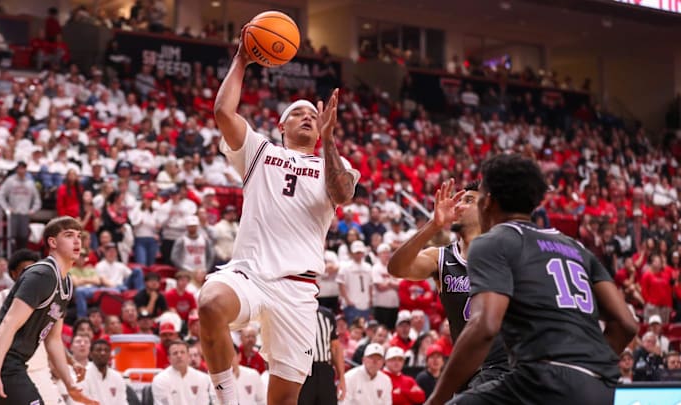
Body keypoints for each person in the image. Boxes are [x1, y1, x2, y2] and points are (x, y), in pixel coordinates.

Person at [196, 26, 359, 405]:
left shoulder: (331, 163)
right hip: (250, 272)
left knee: (284, 400)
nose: (307, 117)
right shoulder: (260, 151)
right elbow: (223, 111)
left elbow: (343, 194)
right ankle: (227, 400)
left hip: (298, 289)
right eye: (297, 113)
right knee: (210, 303)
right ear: (281, 126)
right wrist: (241, 58)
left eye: (312, 115)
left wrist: (331, 142)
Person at [428, 154, 638, 404]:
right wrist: (588, 371)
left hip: (541, 380)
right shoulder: (575, 247)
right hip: (597, 387)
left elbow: (484, 327)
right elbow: (627, 324)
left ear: (488, 202)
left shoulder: (493, 241)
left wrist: (436, 400)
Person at [388, 179, 509, 388]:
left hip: (505, 367)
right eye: (459, 200)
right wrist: (433, 225)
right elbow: (396, 268)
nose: (459, 205)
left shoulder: (506, 254)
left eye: (468, 200)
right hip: (466, 368)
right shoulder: (441, 257)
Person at [0, 217, 96, 405]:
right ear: (52, 242)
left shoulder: (66, 283)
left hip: (14, 362)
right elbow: (8, 323)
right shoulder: (42, 275)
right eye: (69, 235)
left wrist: (69, 384)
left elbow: (53, 339)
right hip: (1, 360)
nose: (77, 241)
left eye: (79, 236)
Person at [298, 306, 346, 404]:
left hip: (324, 369)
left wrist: (341, 377)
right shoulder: (292, 313)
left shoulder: (327, 315)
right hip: (301, 369)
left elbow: (335, 347)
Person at [151, 340, 215, 404]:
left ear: (188, 356)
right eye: (175, 353)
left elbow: (203, 403)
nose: (179, 356)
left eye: (182, 352)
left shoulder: (202, 378)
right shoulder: (160, 380)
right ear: (169, 358)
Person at [0, 161, 41, 250]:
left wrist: (33, 210)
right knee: (11, 237)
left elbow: (37, 200)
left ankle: (21, 258)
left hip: (25, 214)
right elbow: (0, 195)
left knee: (23, 238)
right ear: (17, 169)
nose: (22, 170)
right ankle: (10, 256)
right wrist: (6, 208)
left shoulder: (30, 183)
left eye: (23, 168)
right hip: (13, 213)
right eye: (20, 168)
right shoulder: (10, 181)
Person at [79, 339, 127, 404]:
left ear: (110, 354)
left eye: (106, 350)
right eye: (99, 350)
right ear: (90, 354)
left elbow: (122, 402)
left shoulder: (117, 377)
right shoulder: (82, 376)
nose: (103, 353)